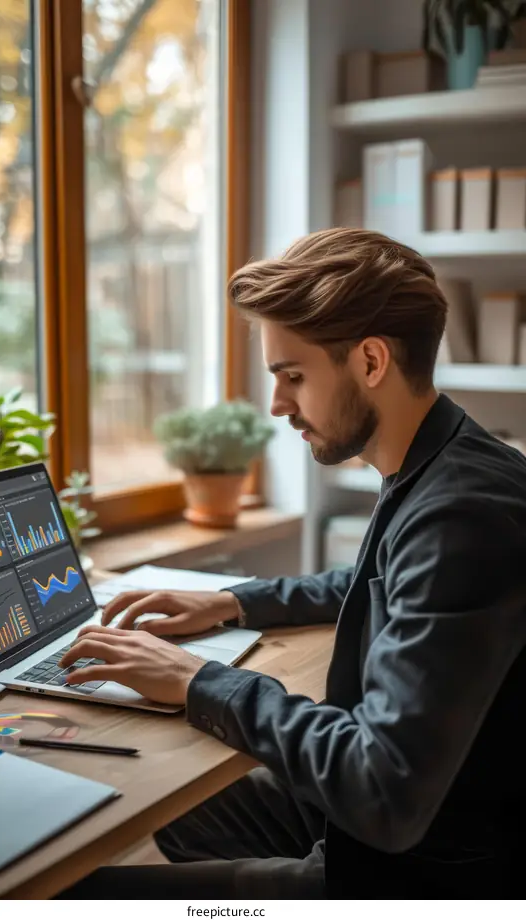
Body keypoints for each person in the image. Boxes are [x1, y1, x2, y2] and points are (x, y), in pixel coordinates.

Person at [56, 228, 526, 899]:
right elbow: (371, 584)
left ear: (370, 362)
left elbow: (382, 788)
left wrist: (197, 682)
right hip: (418, 810)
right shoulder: (448, 459)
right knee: (180, 819)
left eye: (292, 376)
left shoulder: (461, 517)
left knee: (76, 894)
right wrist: (233, 602)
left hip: (417, 869)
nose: (278, 406)